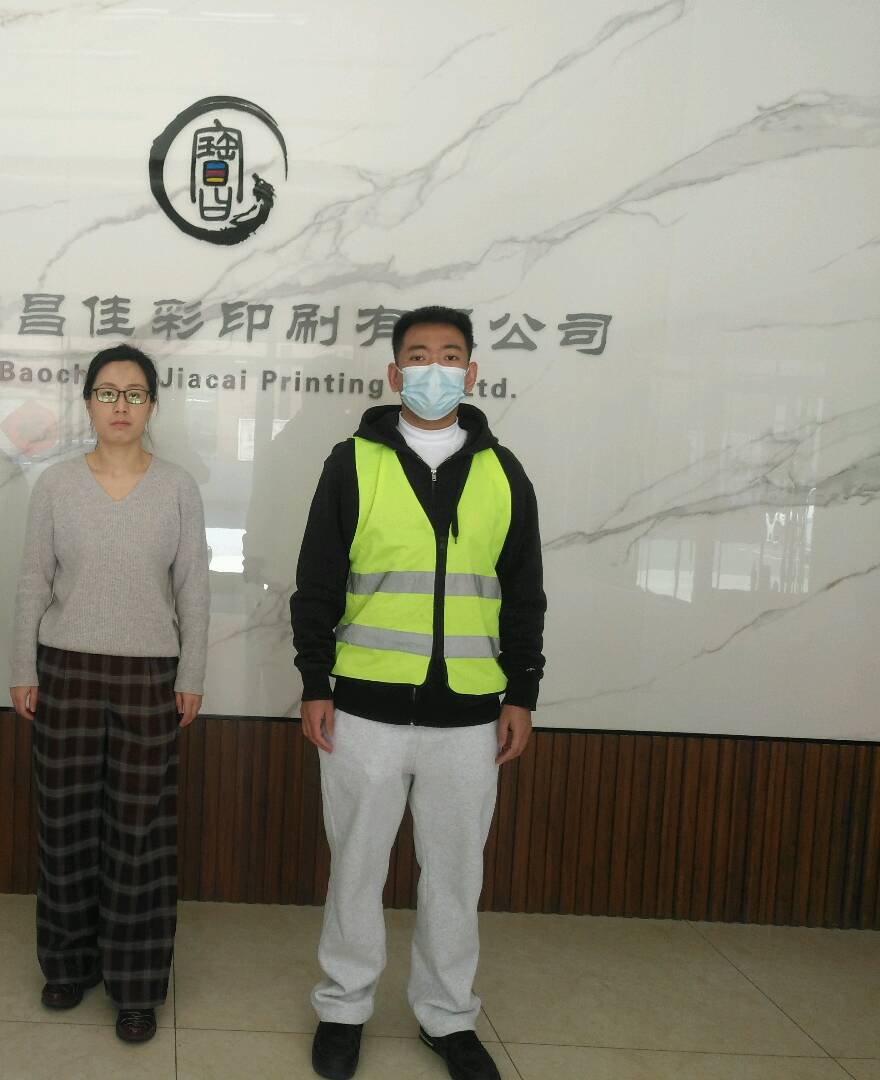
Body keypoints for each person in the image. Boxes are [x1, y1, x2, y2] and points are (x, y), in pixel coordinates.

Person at [291, 307, 546, 1080]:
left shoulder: (504, 472)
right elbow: (317, 581)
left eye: (451, 355)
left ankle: (447, 1016)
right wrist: (314, 682)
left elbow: (524, 593)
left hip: (469, 714)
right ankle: (344, 1007)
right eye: (420, 355)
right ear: (395, 372)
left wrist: (522, 693)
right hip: (364, 708)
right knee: (356, 868)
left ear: (472, 372)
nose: (436, 369)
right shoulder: (352, 463)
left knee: (455, 876)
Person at [9, 344, 210, 1044]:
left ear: (153, 405)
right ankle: (67, 964)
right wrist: (23, 667)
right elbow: (33, 581)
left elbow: (194, 588)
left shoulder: (178, 487)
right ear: (88, 403)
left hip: (150, 677)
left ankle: (137, 984)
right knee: (64, 826)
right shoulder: (56, 485)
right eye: (106, 392)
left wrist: (191, 675)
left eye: (134, 393)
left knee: (139, 835)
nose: (120, 406)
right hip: (64, 670)